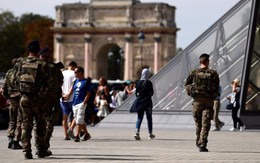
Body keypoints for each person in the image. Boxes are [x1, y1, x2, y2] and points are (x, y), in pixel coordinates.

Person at [12, 40, 53, 159]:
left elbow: (14, 80)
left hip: (24, 98)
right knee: (40, 125)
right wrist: (42, 93)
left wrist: (21, 93)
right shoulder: (43, 64)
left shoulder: (20, 63)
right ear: (38, 50)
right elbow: (49, 82)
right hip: (39, 99)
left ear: (28, 50)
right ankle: (40, 150)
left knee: (26, 125)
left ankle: (26, 150)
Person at [185, 53, 220, 152]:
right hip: (208, 102)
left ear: (200, 62)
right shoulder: (213, 73)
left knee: (198, 124)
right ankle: (202, 143)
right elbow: (217, 87)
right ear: (208, 61)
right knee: (206, 124)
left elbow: (186, 84)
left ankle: (198, 140)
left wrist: (191, 92)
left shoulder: (194, 72)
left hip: (197, 102)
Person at [39, 48, 63, 155]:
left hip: (37, 98)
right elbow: (60, 82)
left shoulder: (35, 66)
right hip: (51, 99)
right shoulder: (55, 68)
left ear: (40, 56)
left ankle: (38, 146)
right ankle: (44, 146)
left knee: (38, 123)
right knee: (49, 122)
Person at [63, 66, 91, 142]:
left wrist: (84, 103)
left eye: (75, 72)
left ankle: (77, 135)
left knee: (78, 119)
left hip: (81, 103)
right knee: (79, 118)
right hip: (74, 103)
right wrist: (67, 96)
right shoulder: (76, 81)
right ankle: (87, 134)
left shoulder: (86, 82)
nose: (74, 73)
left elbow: (88, 94)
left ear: (80, 73)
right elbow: (72, 90)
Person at [2, 55, 23, 149]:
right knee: (20, 120)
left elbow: (4, 88)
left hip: (12, 99)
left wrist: (8, 97)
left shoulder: (9, 72)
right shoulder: (21, 73)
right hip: (20, 98)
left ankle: (10, 138)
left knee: (12, 120)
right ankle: (15, 141)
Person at [132, 68, 155, 140]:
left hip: (140, 102)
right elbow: (152, 93)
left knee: (139, 117)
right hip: (148, 102)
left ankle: (137, 132)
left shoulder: (138, 83)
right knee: (149, 118)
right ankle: (150, 133)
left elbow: (136, 93)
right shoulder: (149, 83)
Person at [60, 61, 77, 140]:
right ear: (74, 67)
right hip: (72, 98)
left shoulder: (62, 73)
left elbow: (59, 85)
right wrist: (69, 95)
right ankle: (71, 129)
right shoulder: (74, 73)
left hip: (62, 98)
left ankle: (66, 135)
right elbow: (73, 86)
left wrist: (63, 94)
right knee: (75, 116)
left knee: (65, 118)